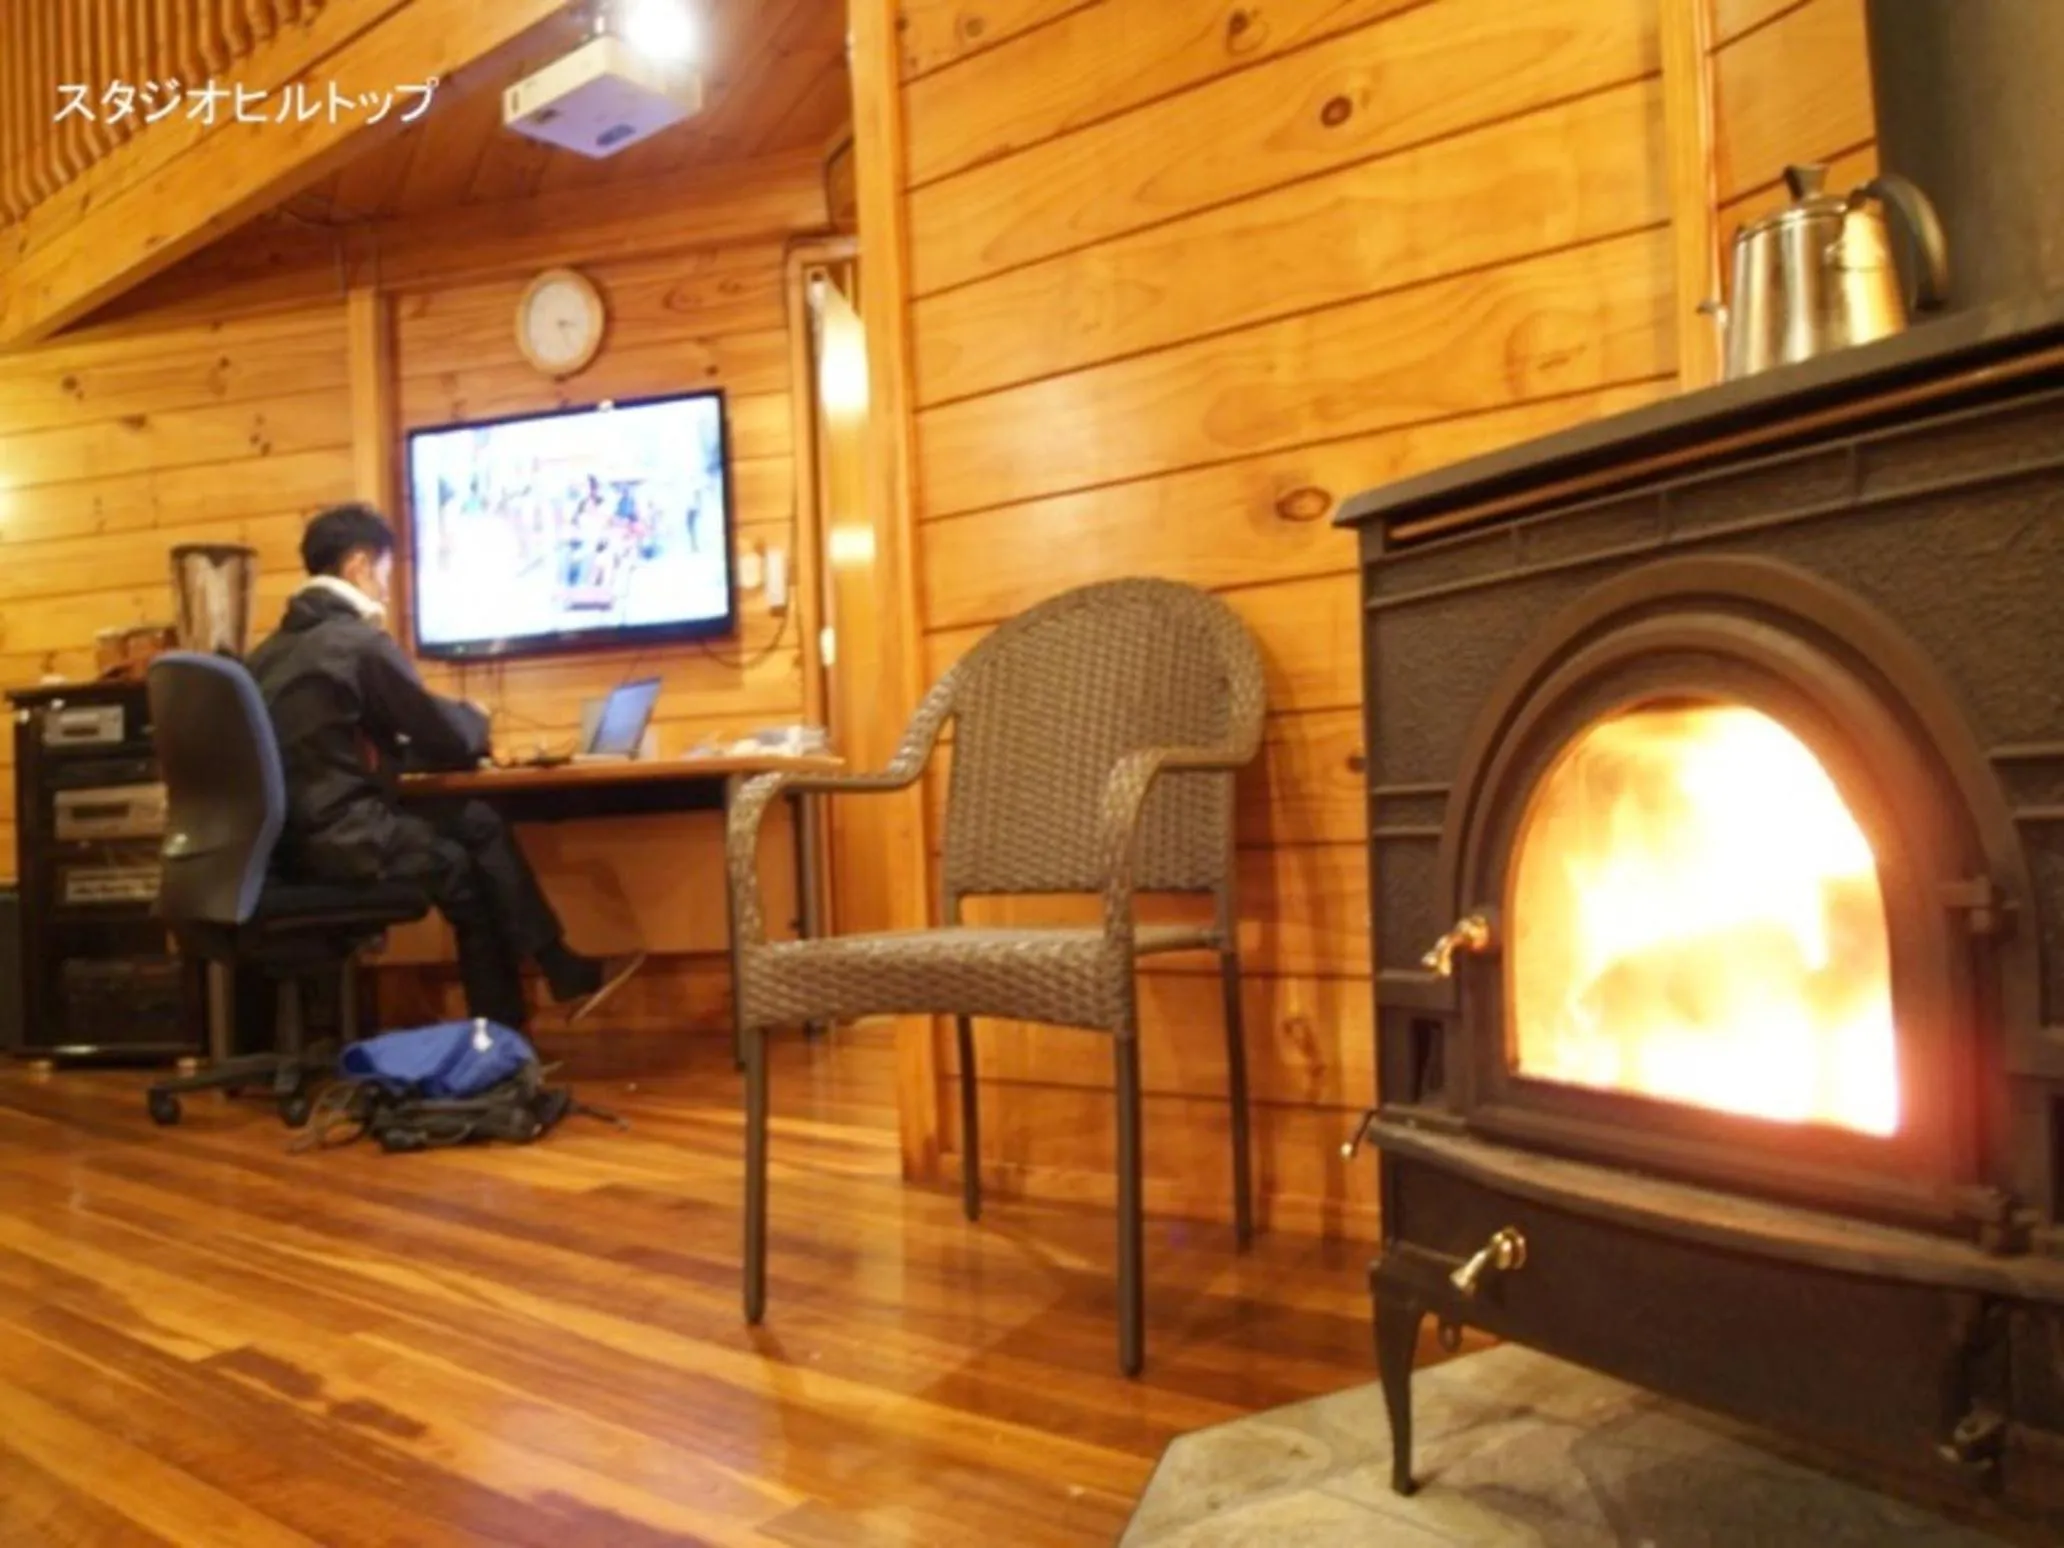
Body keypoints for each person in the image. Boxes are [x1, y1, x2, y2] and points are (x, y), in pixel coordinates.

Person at [246, 503, 644, 1031]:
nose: (387, 586)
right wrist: (476, 722)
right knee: (464, 873)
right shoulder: (358, 643)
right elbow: (439, 731)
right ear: (360, 566)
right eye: (386, 571)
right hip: (345, 841)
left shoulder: (268, 654)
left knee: (477, 820)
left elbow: (335, 742)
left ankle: (554, 968)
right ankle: (505, 1028)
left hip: (289, 845)